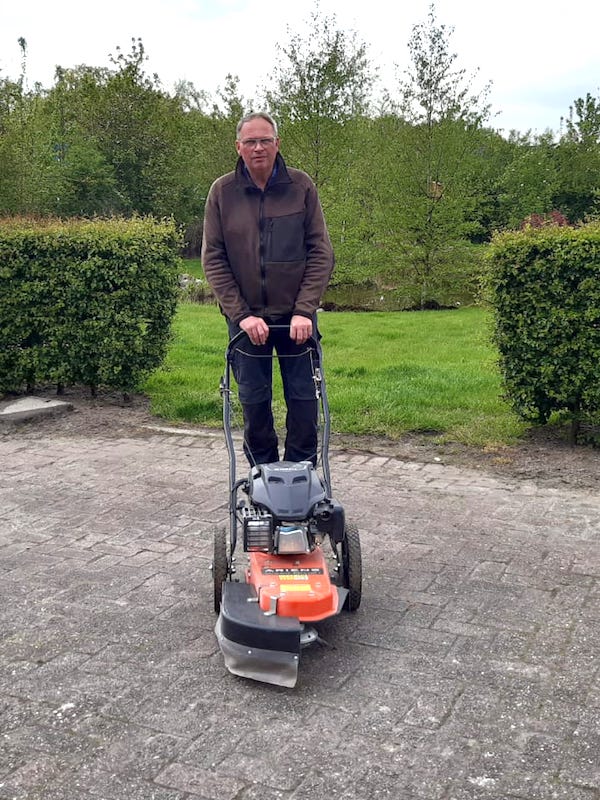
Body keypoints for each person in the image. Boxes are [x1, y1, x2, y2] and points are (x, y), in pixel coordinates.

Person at [201, 111, 334, 466]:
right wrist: (241, 316)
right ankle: (263, 475)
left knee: (304, 401)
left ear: (277, 144)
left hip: (296, 321)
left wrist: (305, 309)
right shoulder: (222, 192)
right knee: (254, 402)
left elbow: (320, 252)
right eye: (250, 141)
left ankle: (301, 473)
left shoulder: (301, 186)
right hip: (247, 323)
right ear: (239, 147)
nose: (258, 147)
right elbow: (213, 258)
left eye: (265, 140)